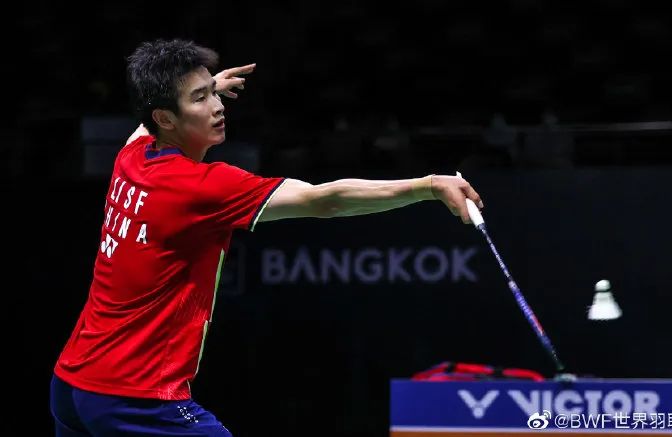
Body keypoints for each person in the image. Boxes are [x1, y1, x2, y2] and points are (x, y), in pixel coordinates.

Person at [50, 38, 484, 436]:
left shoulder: (132, 156)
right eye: (200, 99)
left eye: (214, 93)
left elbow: (147, 122)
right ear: (165, 117)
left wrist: (204, 88)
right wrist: (428, 185)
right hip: (133, 397)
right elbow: (323, 200)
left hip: (72, 384)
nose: (217, 106)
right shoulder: (202, 186)